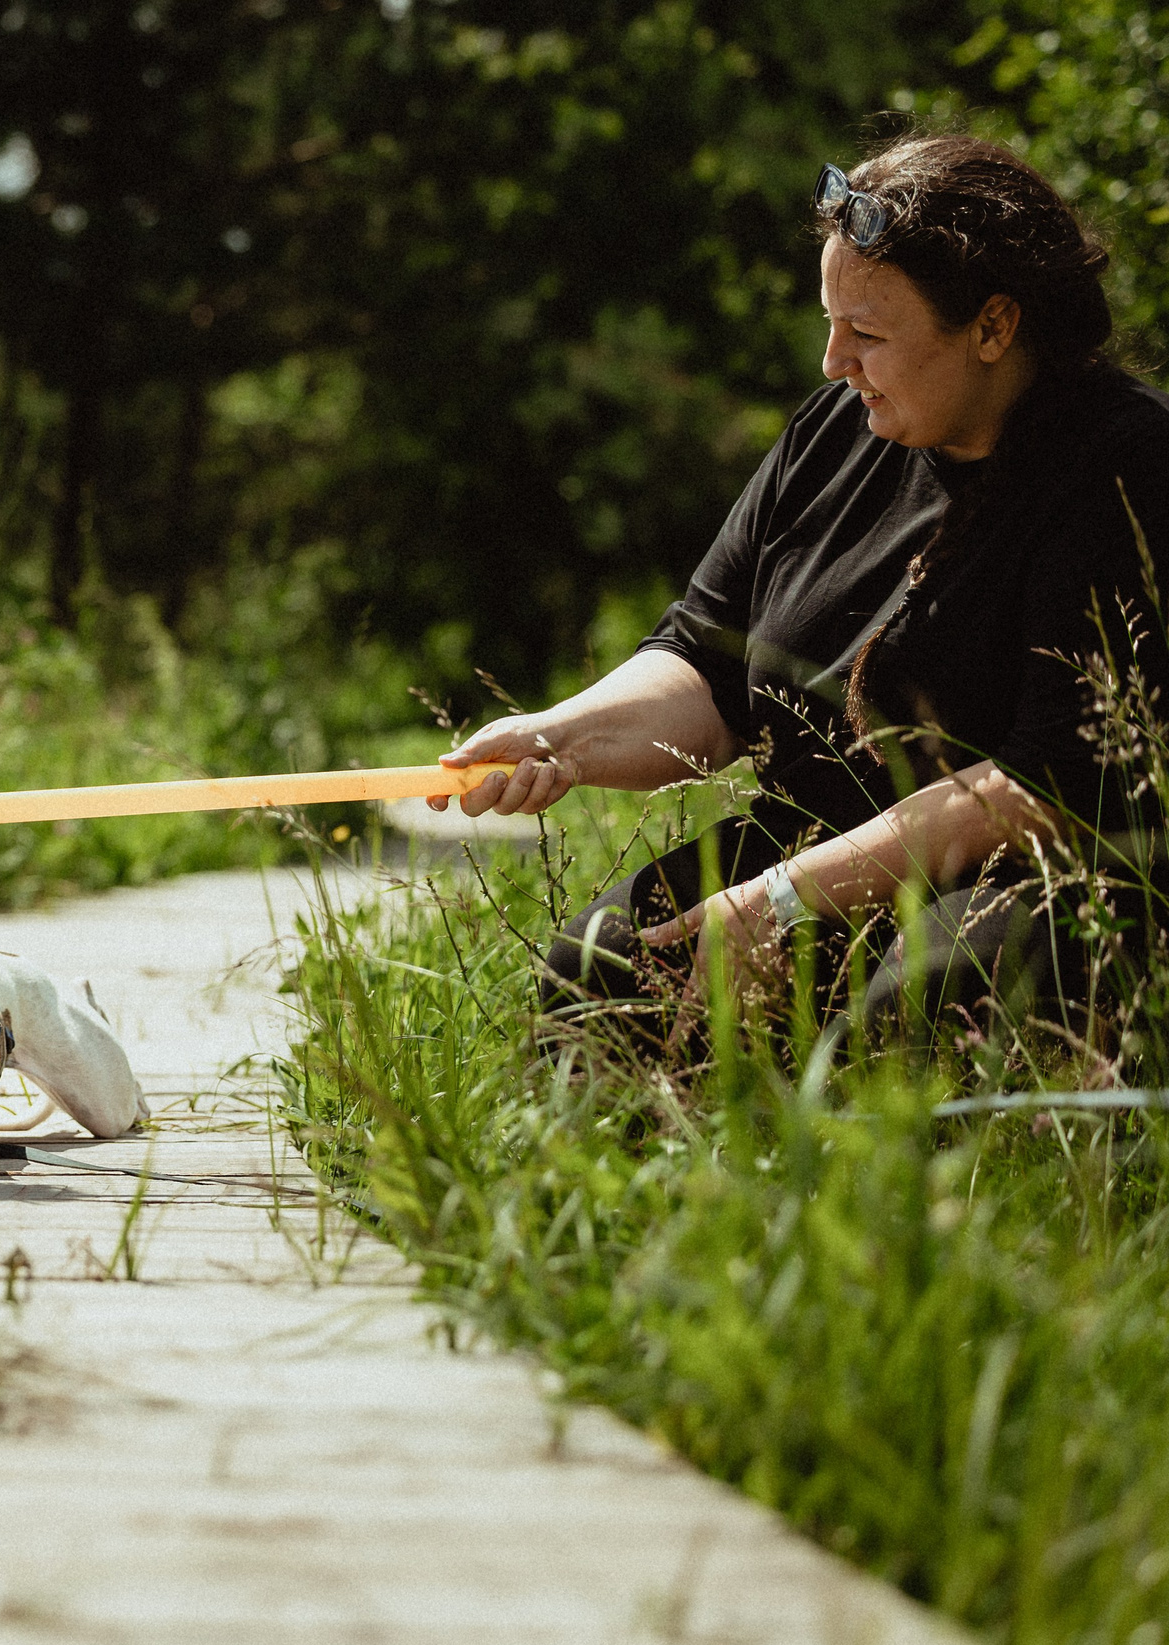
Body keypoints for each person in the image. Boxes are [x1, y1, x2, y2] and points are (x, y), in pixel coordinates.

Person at [431, 134, 1169, 1043]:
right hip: (817, 843)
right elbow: (706, 663)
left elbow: (1046, 786)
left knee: (917, 1004)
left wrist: (781, 898)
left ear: (992, 327)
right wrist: (561, 736)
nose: (832, 361)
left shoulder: (1124, 465)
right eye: (830, 321)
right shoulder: (838, 430)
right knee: (602, 967)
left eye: (866, 334)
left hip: (1037, 874)